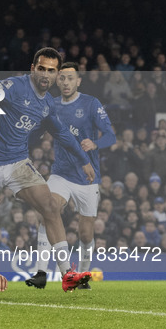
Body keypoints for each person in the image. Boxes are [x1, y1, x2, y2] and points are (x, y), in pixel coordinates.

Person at [0, 47, 95, 292]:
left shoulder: (47, 105)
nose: (46, 74)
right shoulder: (16, 86)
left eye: (52, 70)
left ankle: (67, 273)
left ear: (57, 75)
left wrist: (83, 160)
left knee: (51, 207)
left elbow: (63, 134)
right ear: (33, 69)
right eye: (42, 68)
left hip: (17, 163)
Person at [26, 62, 115, 290]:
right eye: (62, 78)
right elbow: (36, 129)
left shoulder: (91, 103)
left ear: (78, 81)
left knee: (86, 234)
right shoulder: (52, 105)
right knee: (49, 208)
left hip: (87, 178)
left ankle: (83, 274)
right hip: (61, 174)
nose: (65, 82)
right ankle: (41, 272)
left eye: (70, 78)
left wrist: (95, 143)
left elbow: (111, 136)